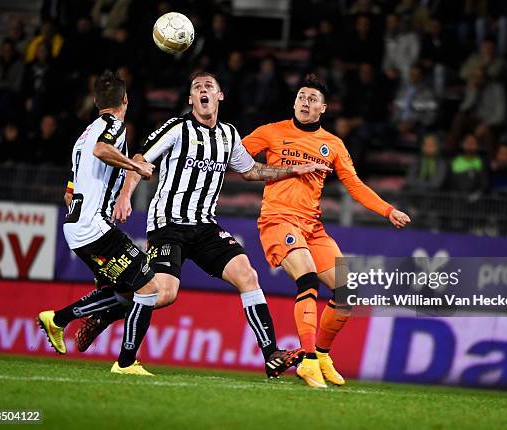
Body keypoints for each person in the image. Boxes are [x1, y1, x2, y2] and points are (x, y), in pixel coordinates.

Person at [74, 72, 330, 378]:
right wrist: (125, 196)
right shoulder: (176, 128)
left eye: (209, 86)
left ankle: (271, 355)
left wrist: (295, 169)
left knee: (247, 275)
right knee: (165, 293)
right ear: (192, 100)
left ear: (220, 96)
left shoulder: (229, 135)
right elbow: (141, 158)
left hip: (205, 226)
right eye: (197, 88)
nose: (203, 90)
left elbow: (251, 171)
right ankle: (105, 314)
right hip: (168, 224)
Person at [242, 74, 411, 388]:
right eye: (302, 96)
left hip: (313, 227)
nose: (305, 102)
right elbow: (235, 159)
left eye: (312, 99)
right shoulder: (271, 132)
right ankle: (306, 360)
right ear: (294, 102)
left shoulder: (333, 144)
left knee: (348, 292)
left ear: (323, 108)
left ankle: (320, 354)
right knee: (307, 278)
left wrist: (388, 210)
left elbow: (355, 186)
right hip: (279, 219)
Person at [37, 70, 161, 376]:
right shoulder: (113, 126)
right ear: (125, 100)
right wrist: (137, 166)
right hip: (94, 227)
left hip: (76, 225)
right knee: (148, 287)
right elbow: (102, 151)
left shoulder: (84, 135)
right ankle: (126, 363)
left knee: (124, 292)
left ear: (95, 101)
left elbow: (70, 193)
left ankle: (60, 320)